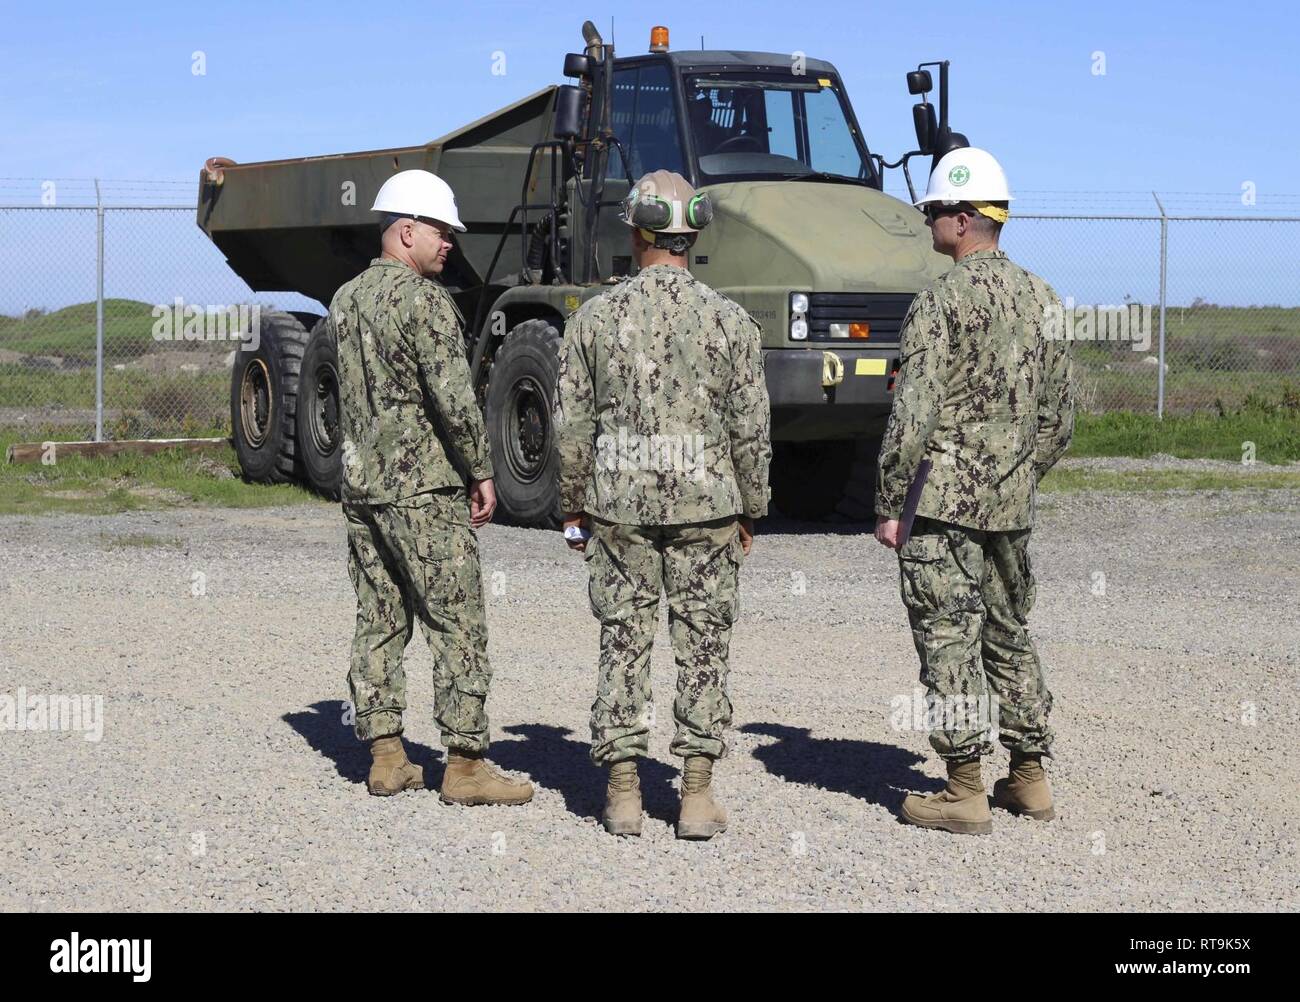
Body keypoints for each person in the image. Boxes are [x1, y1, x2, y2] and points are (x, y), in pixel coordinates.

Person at [554, 170, 771, 839]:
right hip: (708, 508)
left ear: (637, 231)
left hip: (617, 507)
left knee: (624, 643)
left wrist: (571, 504)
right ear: (692, 232)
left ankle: (623, 793)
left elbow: (570, 428)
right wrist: (751, 507)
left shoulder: (593, 319)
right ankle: (696, 796)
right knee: (704, 646)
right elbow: (751, 430)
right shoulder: (732, 322)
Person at [874, 148, 1074, 835]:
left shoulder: (939, 303)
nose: (929, 219)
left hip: (940, 506)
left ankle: (964, 790)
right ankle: (1029, 778)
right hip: (1010, 506)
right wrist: (1015, 476)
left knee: (948, 639)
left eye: (934, 211)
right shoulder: (1045, 298)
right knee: (1010, 633)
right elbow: (1059, 420)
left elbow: (913, 416)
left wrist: (890, 502)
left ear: (963, 220)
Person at [330, 169, 532, 806]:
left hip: (363, 488)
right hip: (423, 489)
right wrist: (481, 470)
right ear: (406, 230)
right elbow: (452, 398)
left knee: (380, 617)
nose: (450, 243)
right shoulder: (426, 303)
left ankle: (386, 756)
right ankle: (467, 766)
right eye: (441, 231)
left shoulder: (344, 300)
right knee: (458, 621)